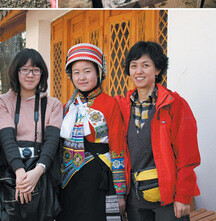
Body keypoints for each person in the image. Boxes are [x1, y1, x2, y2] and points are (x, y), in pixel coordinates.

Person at [116, 41, 200, 221]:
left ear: (158, 70)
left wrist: (183, 197)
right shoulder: (121, 107)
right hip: (135, 200)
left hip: (168, 201)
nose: (139, 71)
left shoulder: (175, 105)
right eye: (134, 66)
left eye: (146, 65)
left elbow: (188, 155)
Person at [58, 43, 126, 221]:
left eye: (87, 71)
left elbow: (118, 147)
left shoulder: (110, 104)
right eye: (76, 72)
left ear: (99, 73)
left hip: (98, 180)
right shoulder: (67, 107)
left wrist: (120, 192)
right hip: (69, 181)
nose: (82, 77)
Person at [0, 48, 63, 221]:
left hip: (41, 172)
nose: (30, 74)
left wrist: (37, 172)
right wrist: (20, 173)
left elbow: (51, 142)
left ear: (42, 73)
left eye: (35, 70)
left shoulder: (53, 104)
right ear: (16, 72)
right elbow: (7, 139)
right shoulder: (3, 102)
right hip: (11, 174)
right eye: (24, 69)